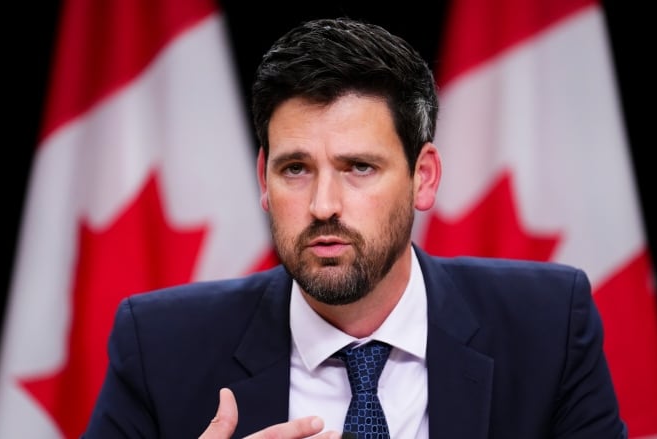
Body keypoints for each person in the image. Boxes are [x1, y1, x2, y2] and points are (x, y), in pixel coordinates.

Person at [81, 17, 627, 439]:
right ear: (264, 181)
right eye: (295, 169)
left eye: (358, 168)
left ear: (424, 177)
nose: (323, 205)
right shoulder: (158, 346)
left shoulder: (549, 325)